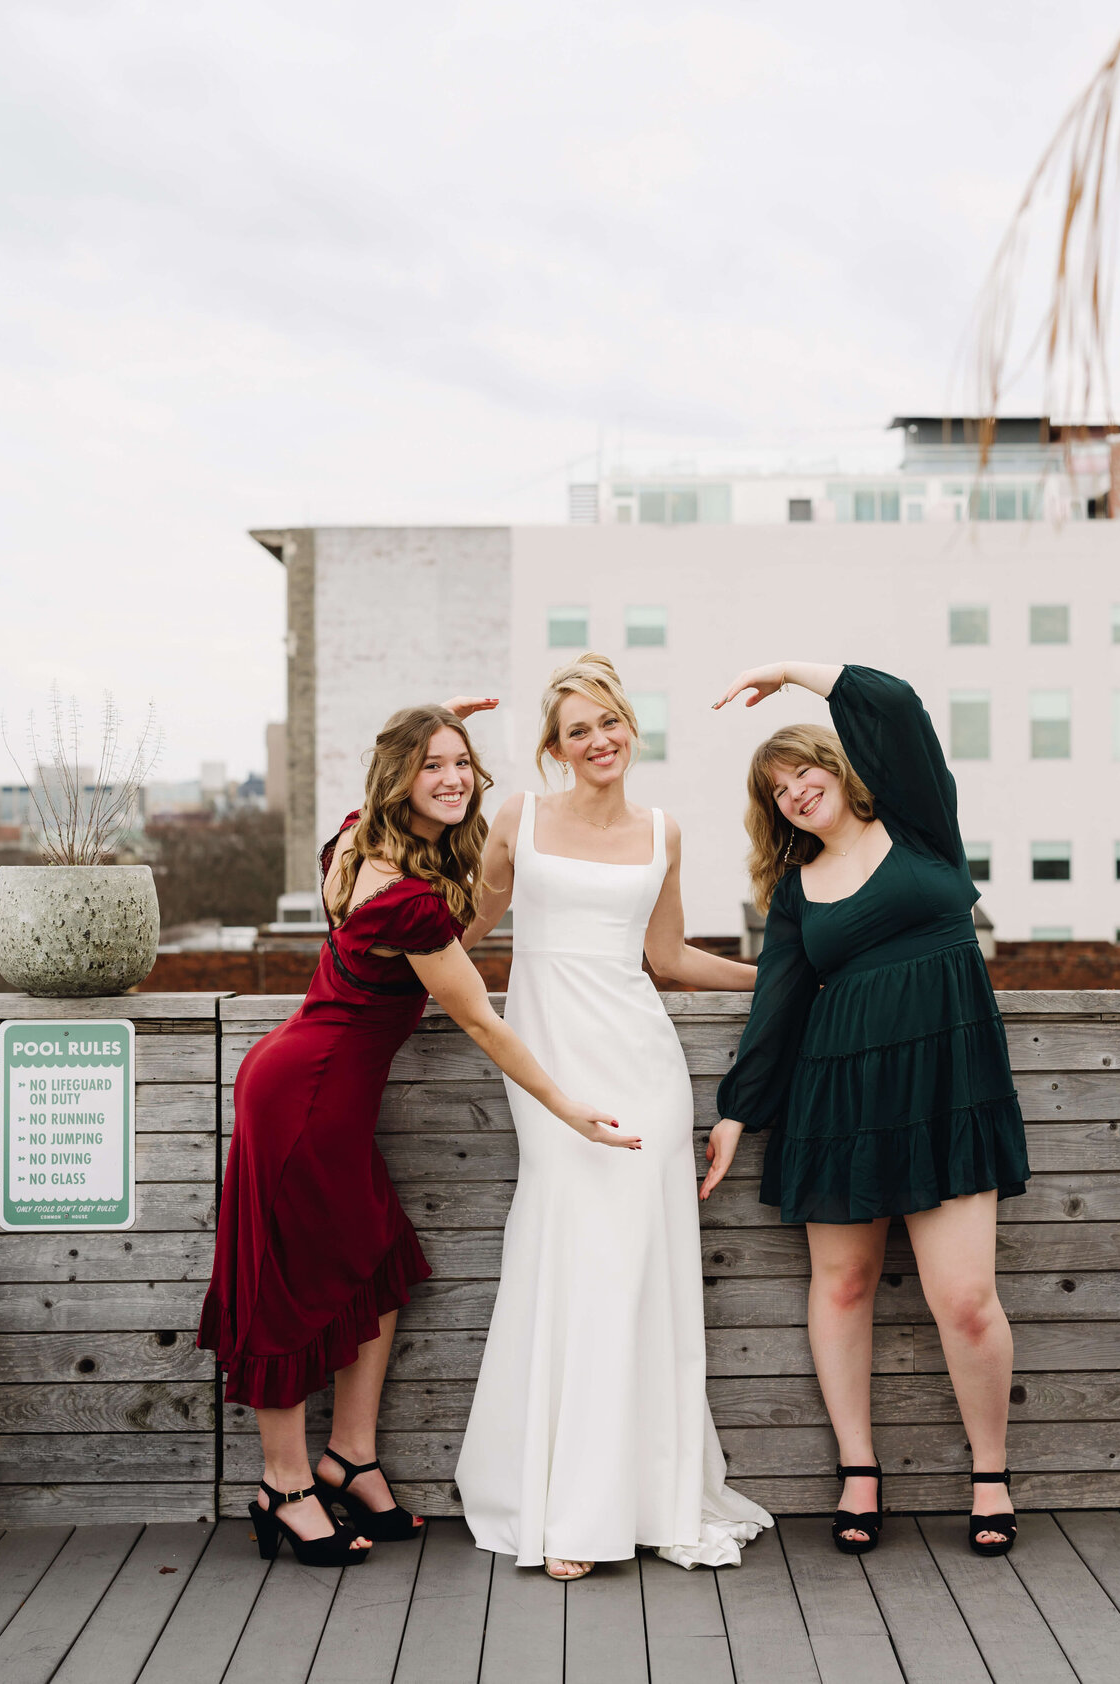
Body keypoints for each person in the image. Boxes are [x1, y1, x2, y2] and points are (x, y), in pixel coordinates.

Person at [198, 697, 639, 1569]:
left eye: (462, 764)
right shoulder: (405, 902)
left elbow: (430, 912)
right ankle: (283, 1489)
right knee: (286, 1292)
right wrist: (566, 1105)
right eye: (432, 764)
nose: (452, 779)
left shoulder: (353, 849)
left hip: (304, 1085)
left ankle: (349, 1456)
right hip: (307, 1100)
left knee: (379, 1267)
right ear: (400, 778)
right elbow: (479, 1018)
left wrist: (436, 713)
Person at [454, 654, 772, 1580]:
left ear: (630, 726)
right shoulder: (519, 819)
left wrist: (780, 980)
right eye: (576, 731)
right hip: (547, 1058)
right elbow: (458, 931)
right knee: (571, 1252)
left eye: (609, 723)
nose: (598, 741)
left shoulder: (662, 830)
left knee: (635, 1268)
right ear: (555, 749)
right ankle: (565, 1502)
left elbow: (669, 958)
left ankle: (633, 1499)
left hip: (641, 1062)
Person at [704, 661, 1029, 1557]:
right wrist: (737, 1113)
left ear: (837, 766)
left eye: (803, 770)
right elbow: (776, 1004)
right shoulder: (796, 892)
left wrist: (794, 673)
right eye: (776, 791)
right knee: (842, 1285)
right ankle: (858, 1468)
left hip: (948, 1087)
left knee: (964, 1299)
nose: (795, 791)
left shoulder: (921, 828)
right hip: (839, 1096)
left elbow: (899, 711)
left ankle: (991, 1474)